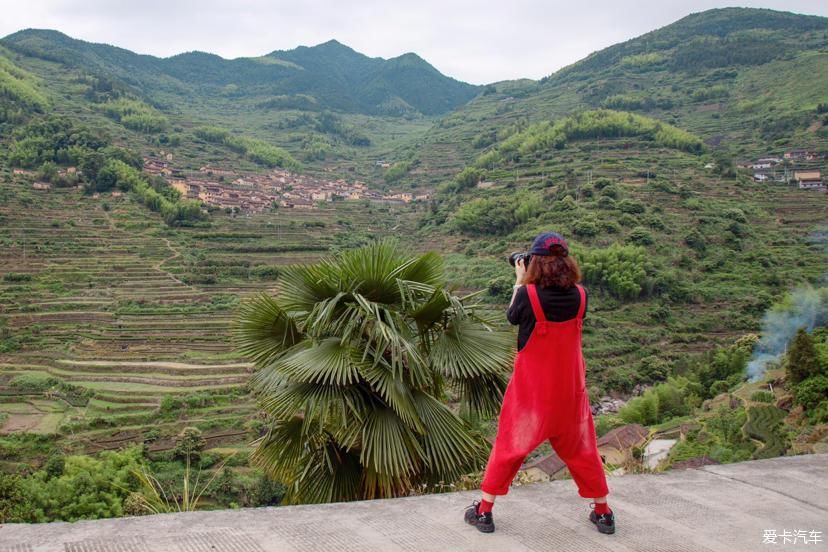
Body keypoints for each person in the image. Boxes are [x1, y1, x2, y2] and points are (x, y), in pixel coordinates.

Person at [464, 231, 614, 535]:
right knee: (584, 451)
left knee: (509, 448)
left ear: (534, 263)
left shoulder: (527, 295)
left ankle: (484, 511)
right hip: (570, 394)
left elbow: (512, 317)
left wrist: (519, 281)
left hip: (531, 395)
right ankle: (603, 512)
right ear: (566, 262)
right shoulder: (581, 295)